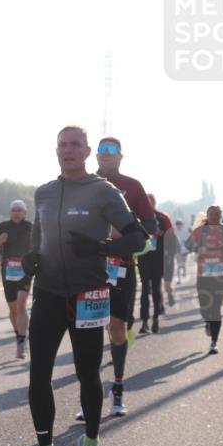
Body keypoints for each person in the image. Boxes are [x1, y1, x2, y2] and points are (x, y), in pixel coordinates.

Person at [23, 126, 147, 446]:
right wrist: (32, 255)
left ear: (88, 151)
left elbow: (139, 238)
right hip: (47, 292)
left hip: (89, 294)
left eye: (75, 144)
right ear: (56, 151)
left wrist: (101, 248)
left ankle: (90, 442)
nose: (68, 150)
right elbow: (38, 234)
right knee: (38, 374)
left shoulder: (103, 191)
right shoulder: (44, 193)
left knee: (87, 373)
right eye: (63, 145)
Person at [85, 136, 157, 418]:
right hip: (89, 268)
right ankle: (88, 397)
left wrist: (119, 234)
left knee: (117, 328)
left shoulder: (132, 186)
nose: (105, 153)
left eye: (111, 150)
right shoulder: (85, 183)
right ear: (95, 155)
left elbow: (149, 227)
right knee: (88, 331)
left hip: (122, 267)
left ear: (120, 156)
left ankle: (117, 390)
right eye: (101, 149)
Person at [0, 200, 33, 359]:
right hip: (8, 271)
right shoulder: (2, 227)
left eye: (20, 210)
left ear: (25, 213)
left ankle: (22, 342)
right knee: (13, 308)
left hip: (26, 269)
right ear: (10, 212)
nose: (17, 212)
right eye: (14, 210)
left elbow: (41, 246)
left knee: (21, 303)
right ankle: (18, 335)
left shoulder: (31, 228)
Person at [187, 205, 223, 353]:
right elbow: (188, 245)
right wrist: (197, 247)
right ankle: (208, 322)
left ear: (220, 216)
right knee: (205, 306)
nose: (214, 216)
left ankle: (214, 342)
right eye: (211, 214)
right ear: (207, 215)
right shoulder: (200, 231)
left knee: (216, 308)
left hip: (221, 274)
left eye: (217, 214)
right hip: (204, 273)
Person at [136, 193, 173, 334]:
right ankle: (144, 321)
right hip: (144, 257)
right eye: (145, 201)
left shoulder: (163, 217)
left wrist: (160, 233)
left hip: (159, 257)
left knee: (156, 288)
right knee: (145, 288)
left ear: (154, 202)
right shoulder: (138, 218)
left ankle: (156, 317)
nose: (147, 204)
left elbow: (170, 237)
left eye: (149, 201)